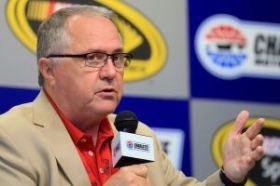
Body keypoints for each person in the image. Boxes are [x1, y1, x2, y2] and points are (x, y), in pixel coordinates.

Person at [0, 5, 264, 186]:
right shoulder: (11, 137)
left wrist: (228, 175)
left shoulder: (138, 135)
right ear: (49, 70)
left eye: (117, 58)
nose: (110, 72)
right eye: (93, 58)